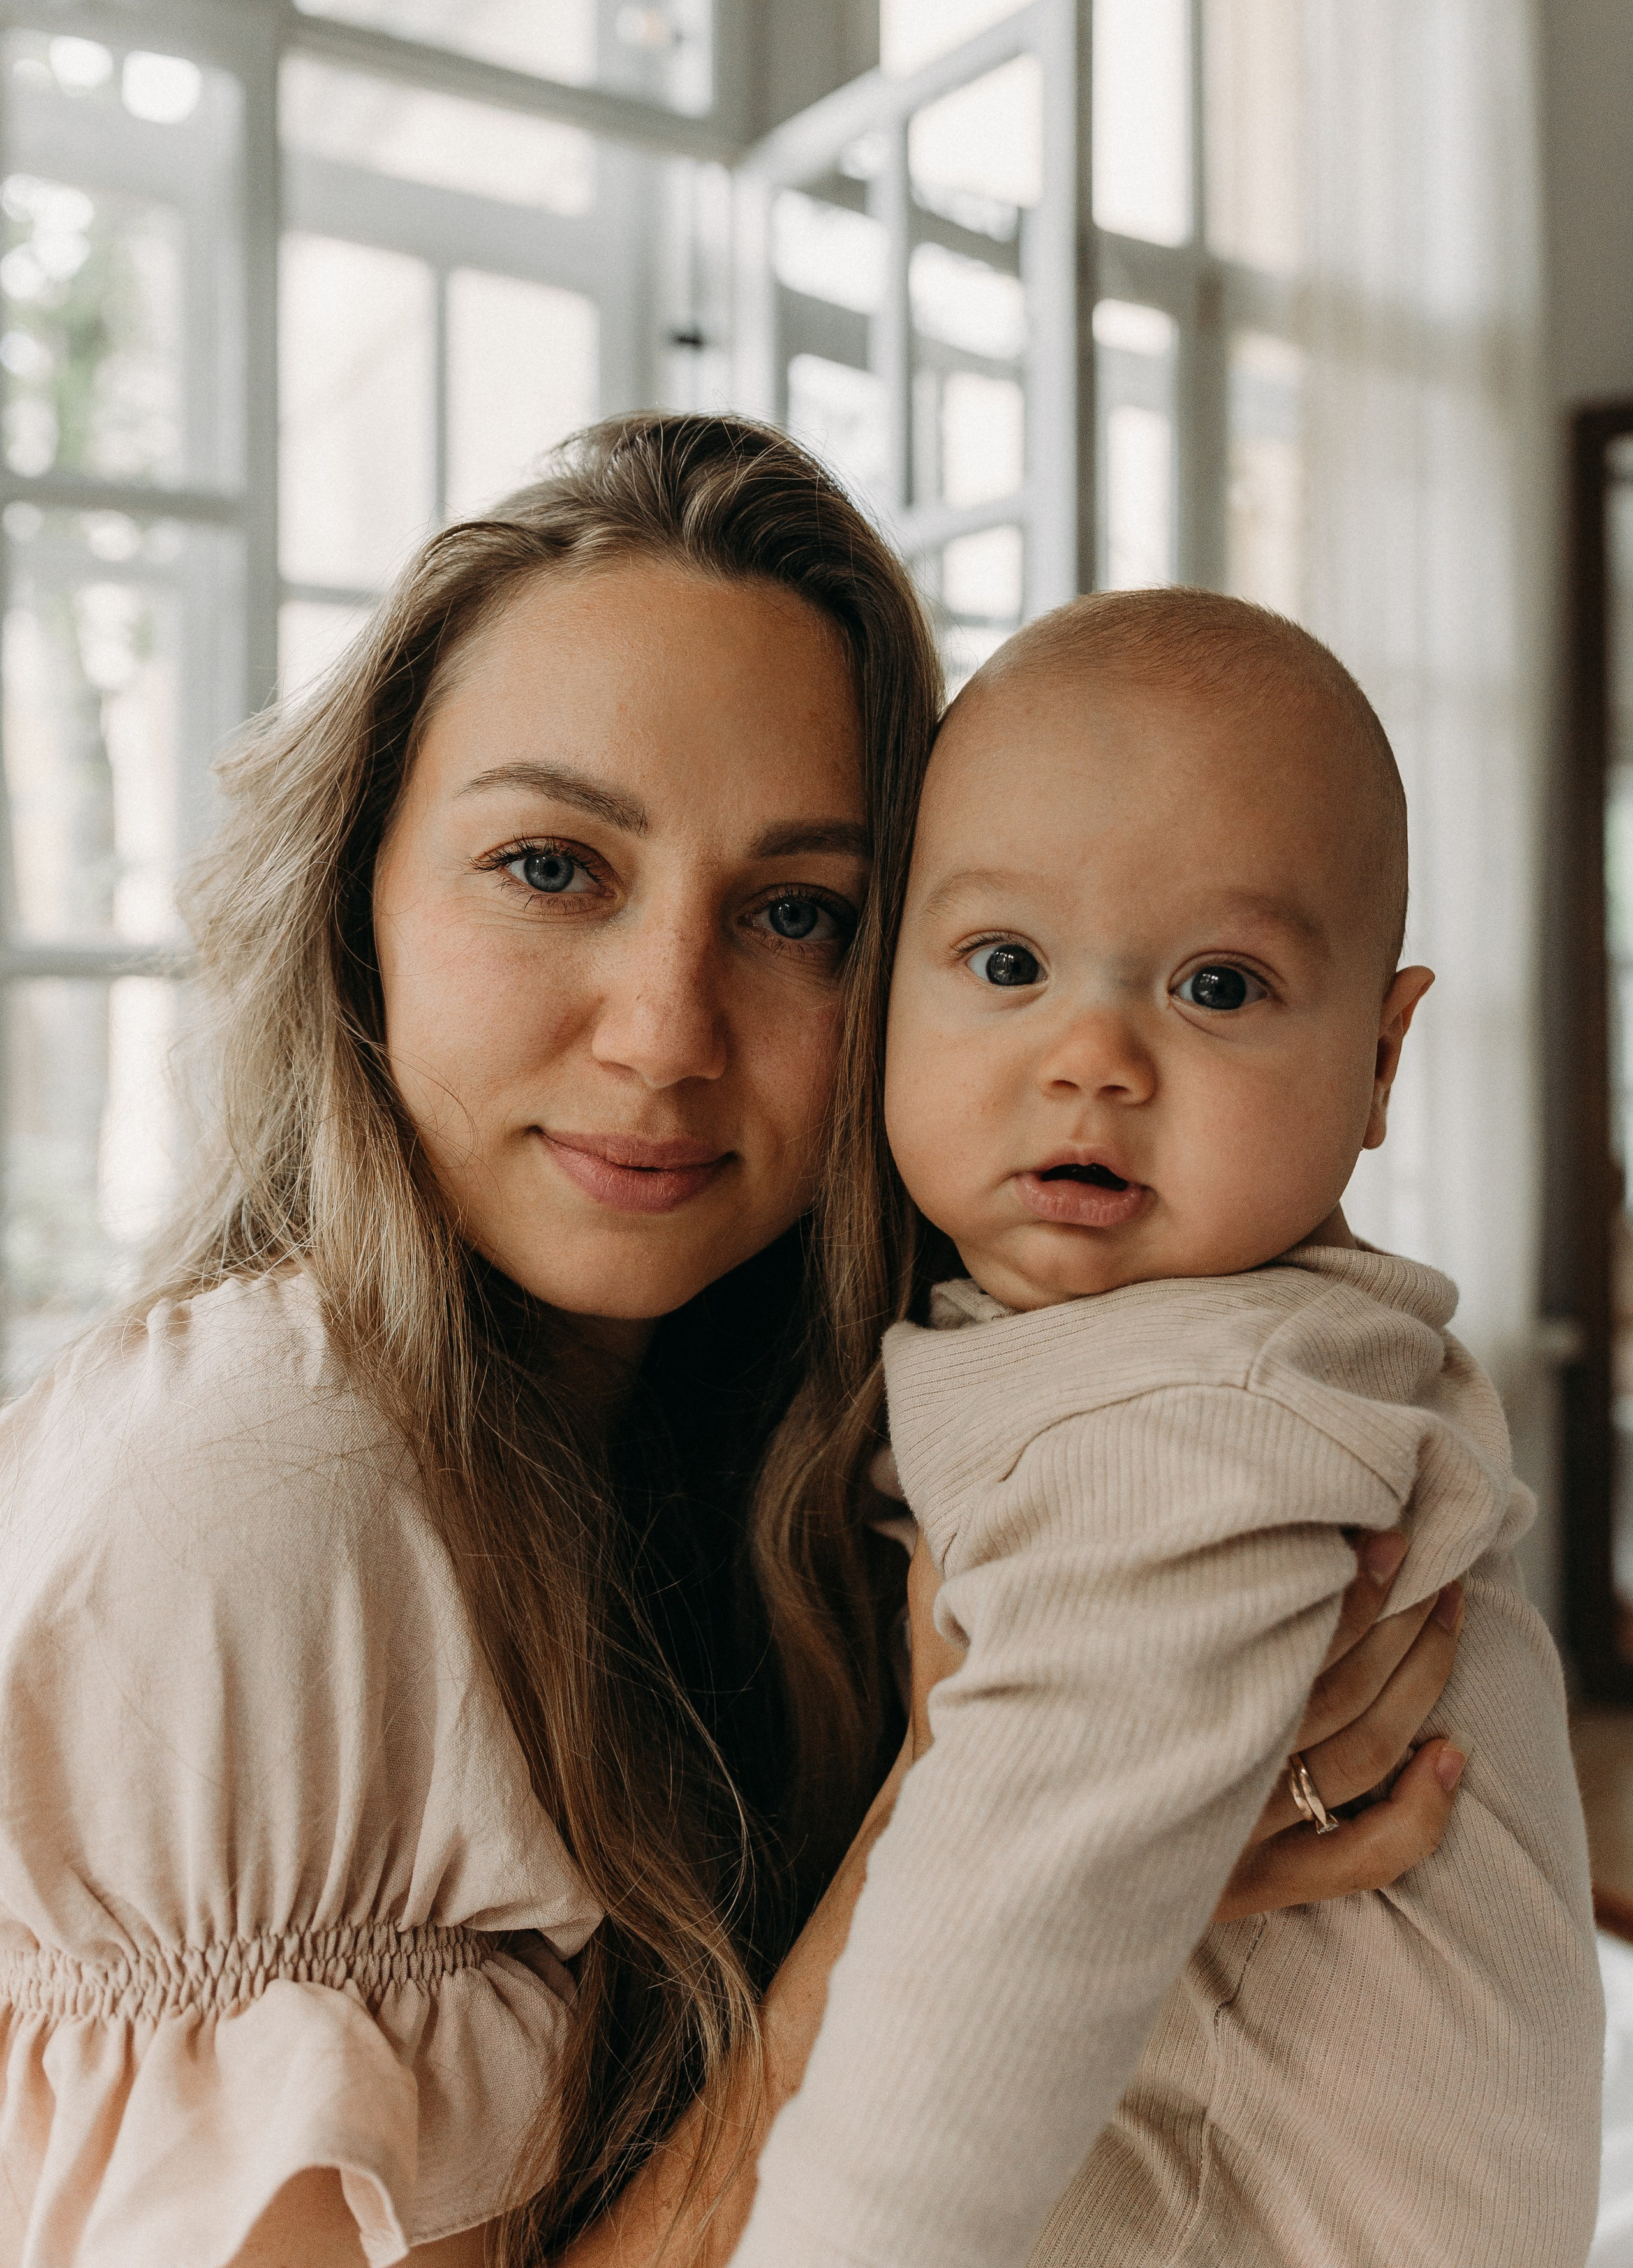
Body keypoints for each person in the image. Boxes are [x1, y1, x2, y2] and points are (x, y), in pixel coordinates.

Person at [0, 422, 1472, 2268]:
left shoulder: (794, 1412)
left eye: (799, 913)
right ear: (358, 900)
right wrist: (973, 1865)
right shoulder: (257, 1488)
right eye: (552, 866)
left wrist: (1171, 1810)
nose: (666, 1032)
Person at [729, 588, 1602, 2268]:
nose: (1092, 1057)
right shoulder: (1192, 1345)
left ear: (1378, 1058)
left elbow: (979, 1995)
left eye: (1218, 984)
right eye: (1007, 963)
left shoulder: (1191, 1431)